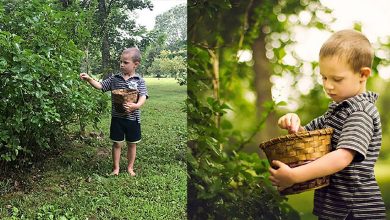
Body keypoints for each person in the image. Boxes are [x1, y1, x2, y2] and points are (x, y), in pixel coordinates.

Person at [269, 30, 386, 219]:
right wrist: (293, 123)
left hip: (355, 209)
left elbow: (342, 157)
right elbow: (307, 138)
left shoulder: (360, 112)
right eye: (324, 77)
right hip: (334, 207)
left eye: (337, 79)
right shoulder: (337, 110)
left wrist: (295, 176)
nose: (328, 85)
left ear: (363, 75)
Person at [80, 47, 148, 177]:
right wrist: (89, 79)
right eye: (121, 62)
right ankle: (116, 168)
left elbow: (143, 95)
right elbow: (101, 86)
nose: (122, 64)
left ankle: (130, 168)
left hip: (133, 119)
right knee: (117, 143)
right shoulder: (115, 78)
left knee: (132, 144)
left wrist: (136, 105)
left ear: (136, 64)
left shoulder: (139, 81)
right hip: (117, 118)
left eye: (126, 62)